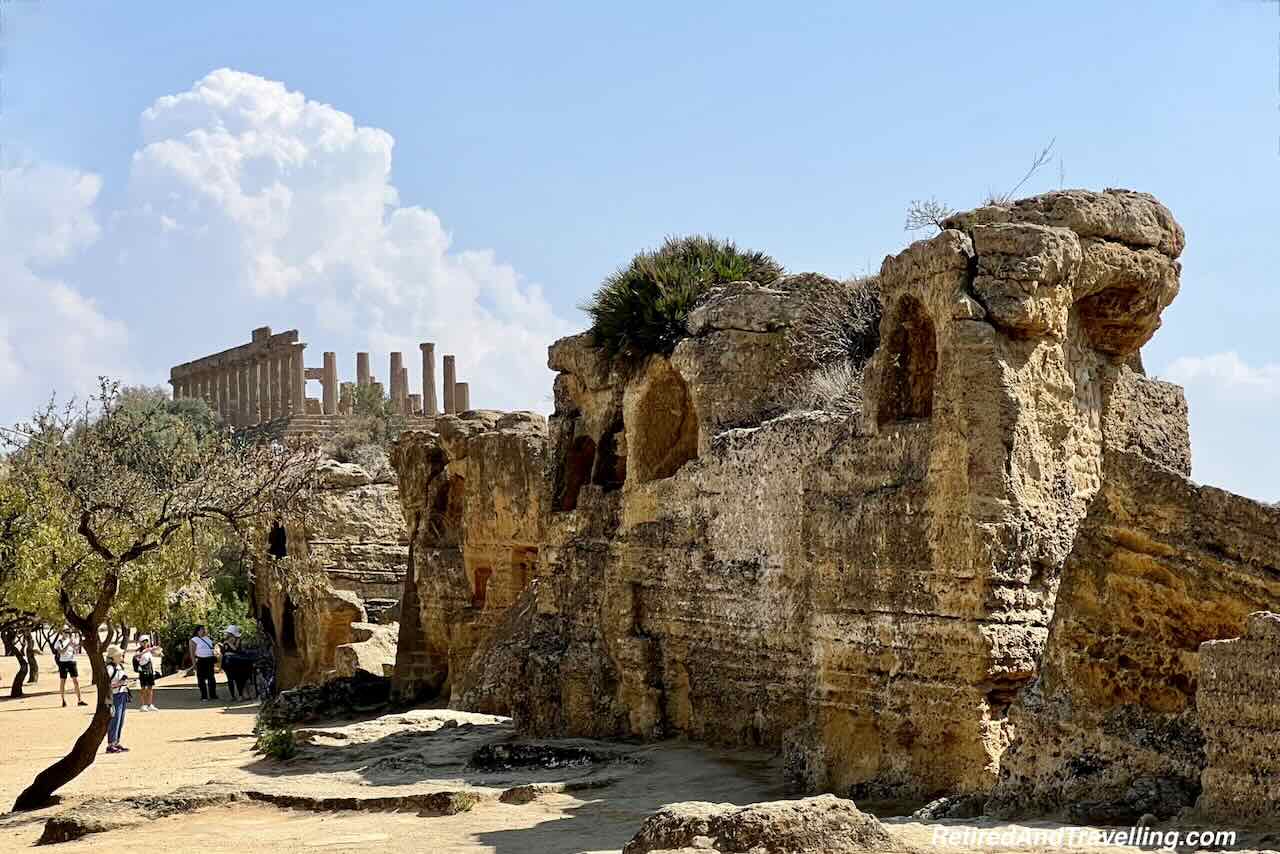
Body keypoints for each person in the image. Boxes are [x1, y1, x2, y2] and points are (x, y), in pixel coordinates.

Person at [104, 645, 131, 753]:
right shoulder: (109, 668)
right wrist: (120, 683)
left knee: (120, 720)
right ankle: (111, 744)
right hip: (114, 696)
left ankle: (116, 742)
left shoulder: (119, 666)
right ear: (113, 656)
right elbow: (106, 685)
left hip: (122, 694)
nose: (121, 656)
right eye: (119, 655)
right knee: (114, 720)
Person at [52, 630, 87, 708]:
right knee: (63, 681)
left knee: (76, 681)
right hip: (63, 663)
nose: (67, 634)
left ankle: (79, 700)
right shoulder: (58, 642)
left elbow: (76, 649)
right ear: (62, 633)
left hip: (72, 662)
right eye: (65, 632)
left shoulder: (71, 640)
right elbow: (61, 652)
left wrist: (79, 644)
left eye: (68, 632)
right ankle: (63, 700)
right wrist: (68, 644)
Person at [132, 635, 160, 711]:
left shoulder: (150, 650)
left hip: (150, 670)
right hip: (142, 670)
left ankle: (150, 704)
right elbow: (137, 657)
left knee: (150, 687)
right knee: (143, 688)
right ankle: (143, 705)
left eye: (146, 641)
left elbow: (157, 654)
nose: (145, 643)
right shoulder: (139, 651)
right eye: (143, 642)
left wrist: (156, 650)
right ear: (140, 643)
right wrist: (146, 650)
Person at [189, 625, 218, 701]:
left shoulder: (208, 639)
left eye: (205, 629)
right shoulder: (194, 640)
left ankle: (213, 694)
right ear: (198, 631)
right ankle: (204, 696)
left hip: (210, 660)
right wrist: (194, 663)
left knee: (211, 678)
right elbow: (192, 653)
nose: (204, 631)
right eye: (202, 629)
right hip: (201, 660)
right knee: (201, 679)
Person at [221, 625, 245, 701]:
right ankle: (232, 696)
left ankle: (240, 695)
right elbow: (224, 652)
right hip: (227, 662)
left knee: (238, 679)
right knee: (230, 680)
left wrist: (228, 643)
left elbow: (236, 649)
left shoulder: (238, 640)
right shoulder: (226, 640)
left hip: (236, 662)